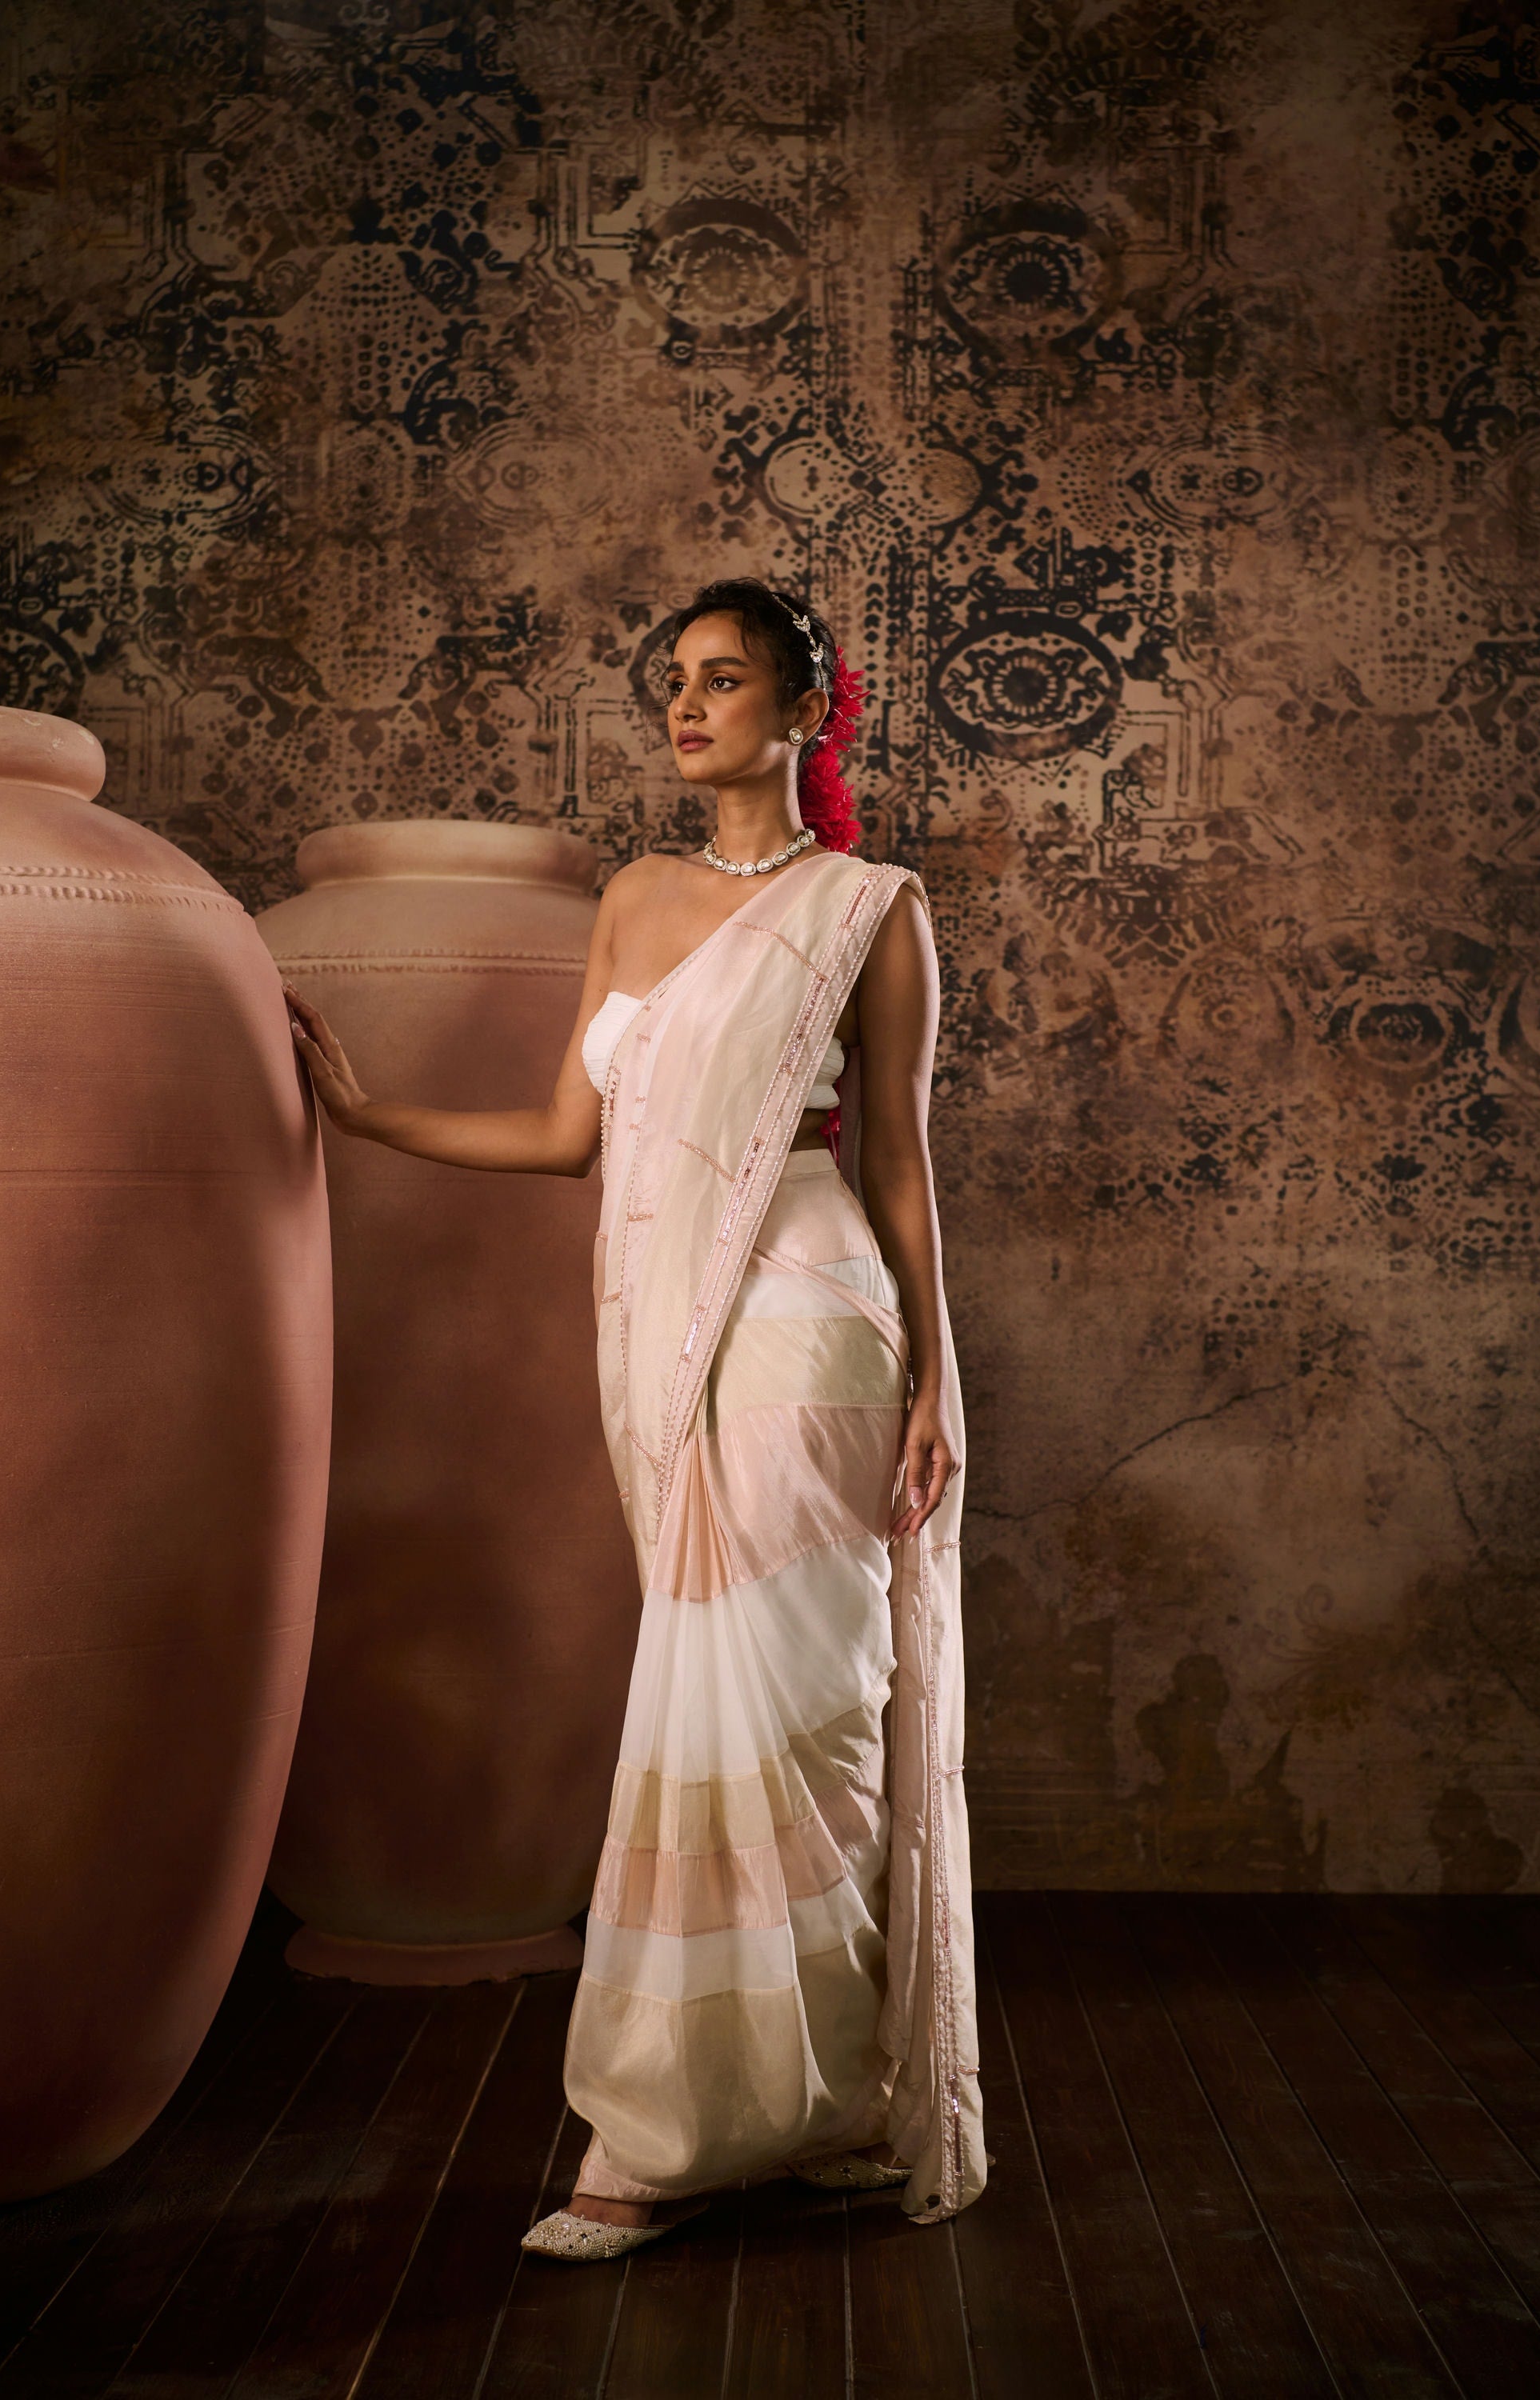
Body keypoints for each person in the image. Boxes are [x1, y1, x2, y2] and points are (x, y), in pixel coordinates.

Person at [285, 576, 986, 2261]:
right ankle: (763, 2117)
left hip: (813, 1321)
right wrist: (369, 1117)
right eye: (670, 680)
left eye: (722, 680)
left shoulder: (865, 906)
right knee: (718, 1697)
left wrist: (937, 1383)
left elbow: (894, 1154)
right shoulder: (632, 897)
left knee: (794, 1712)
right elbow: (563, 1139)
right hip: (667, 1328)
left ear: (803, 708)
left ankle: (690, 2136)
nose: (685, 707)